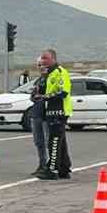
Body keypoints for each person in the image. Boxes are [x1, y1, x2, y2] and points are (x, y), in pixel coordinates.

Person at [32, 49, 72, 181]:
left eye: (45, 58)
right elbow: (39, 93)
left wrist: (44, 97)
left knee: (53, 141)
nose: (43, 61)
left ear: (53, 59)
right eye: (42, 58)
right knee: (60, 141)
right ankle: (64, 169)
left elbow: (62, 92)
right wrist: (39, 93)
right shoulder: (48, 74)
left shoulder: (60, 72)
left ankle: (52, 169)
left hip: (58, 111)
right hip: (50, 111)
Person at [25, 68, 49, 175]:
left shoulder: (53, 80)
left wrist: (42, 96)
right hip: (37, 113)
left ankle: (50, 166)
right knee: (39, 142)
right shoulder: (38, 80)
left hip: (48, 114)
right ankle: (42, 164)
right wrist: (36, 96)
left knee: (49, 141)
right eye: (40, 66)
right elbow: (32, 97)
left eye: (44, 66)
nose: (42, 68)